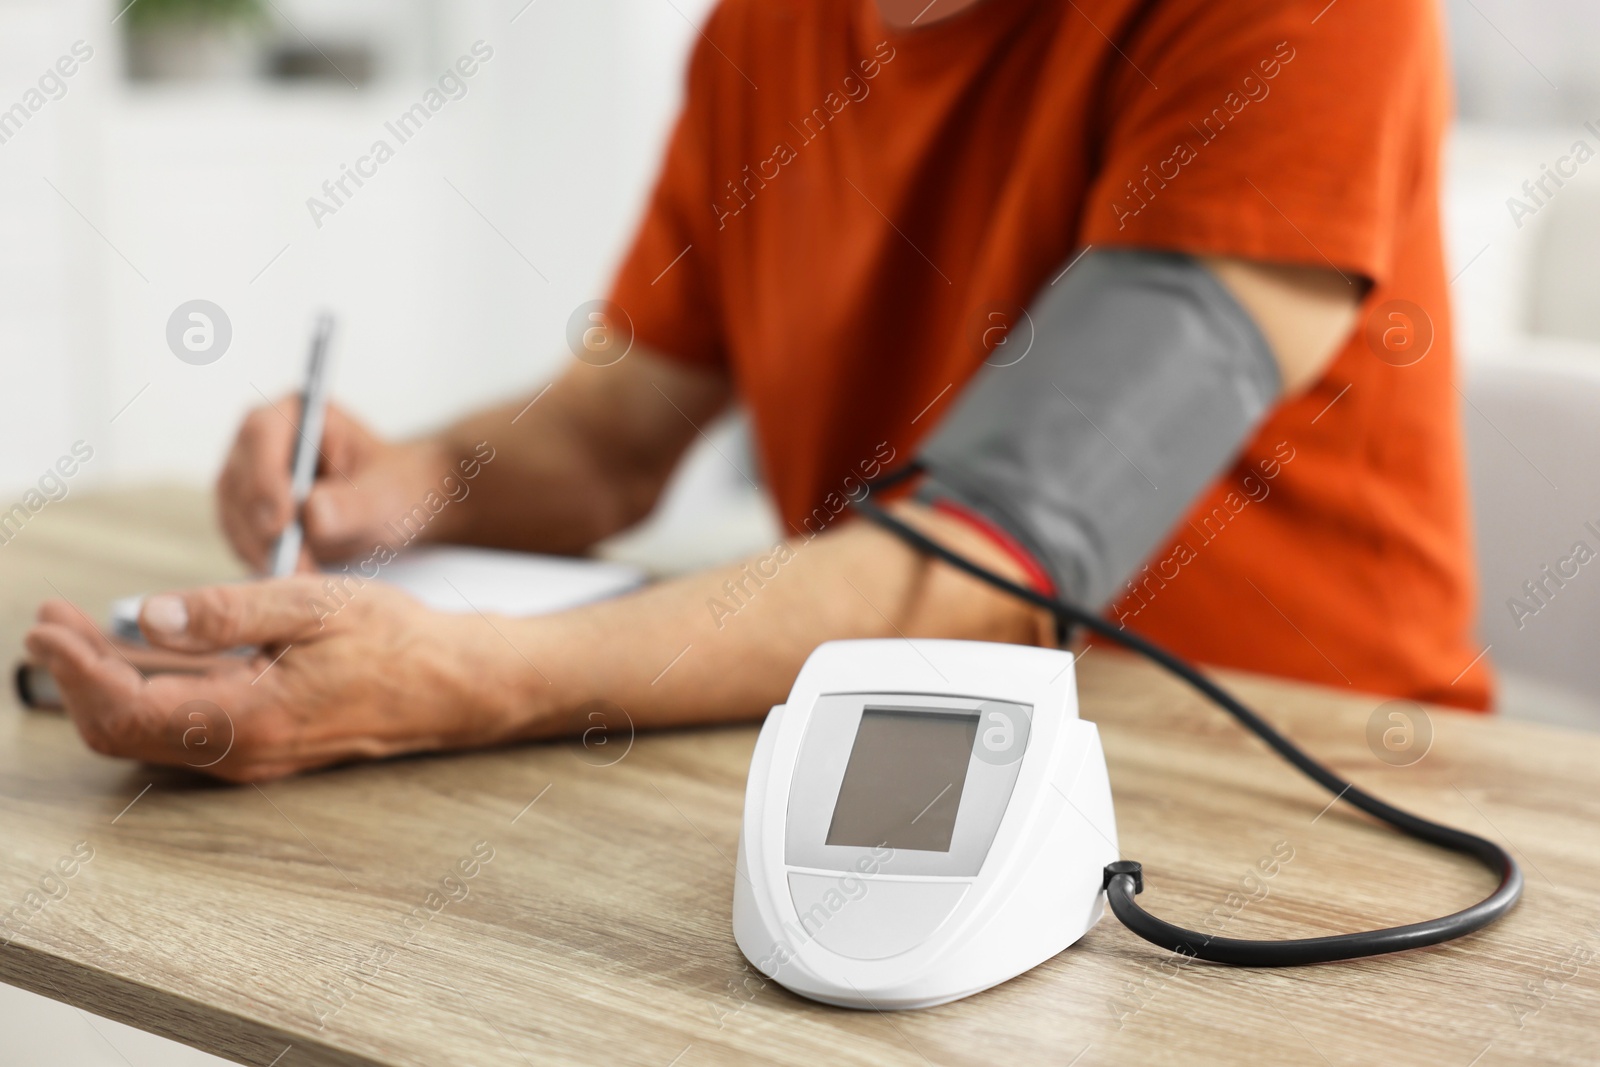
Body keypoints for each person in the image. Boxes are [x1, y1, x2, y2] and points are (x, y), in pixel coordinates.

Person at [26, 0, 1486, 783]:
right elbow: (616, 430)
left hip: (1303, 794)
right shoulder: (764, 33)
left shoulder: (1308, 14)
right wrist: (398, 482)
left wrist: (472, 679)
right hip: (889, 757)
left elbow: (1007, 552)